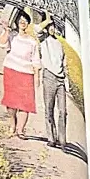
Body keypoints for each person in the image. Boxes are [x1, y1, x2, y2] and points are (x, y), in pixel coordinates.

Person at [0, 9, 41, 138]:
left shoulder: (33, 41)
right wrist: (6, 30)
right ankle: (13, 123)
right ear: (16, 21)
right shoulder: (12, 35)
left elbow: (36, 60)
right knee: (11, 102)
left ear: (28, 23)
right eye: (20, 20)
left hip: (26, 74)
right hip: (11, 70)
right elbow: (1, 43)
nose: (23, 22)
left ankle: (20, 130)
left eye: (25, 20)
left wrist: (37, 77)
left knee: (25, 103)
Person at [37, 18, 67, 150]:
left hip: (60, 79)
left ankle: (62, 139)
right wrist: (46, 20)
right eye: (50, 27)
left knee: (63, 110)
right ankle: (51, 138)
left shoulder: (60, 44)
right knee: (49, 108)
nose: (52, 29)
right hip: (49, 76)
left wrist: (66, 77)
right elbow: (37, 30)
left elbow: (63, 62)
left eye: (53, 26)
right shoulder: (44, 39)